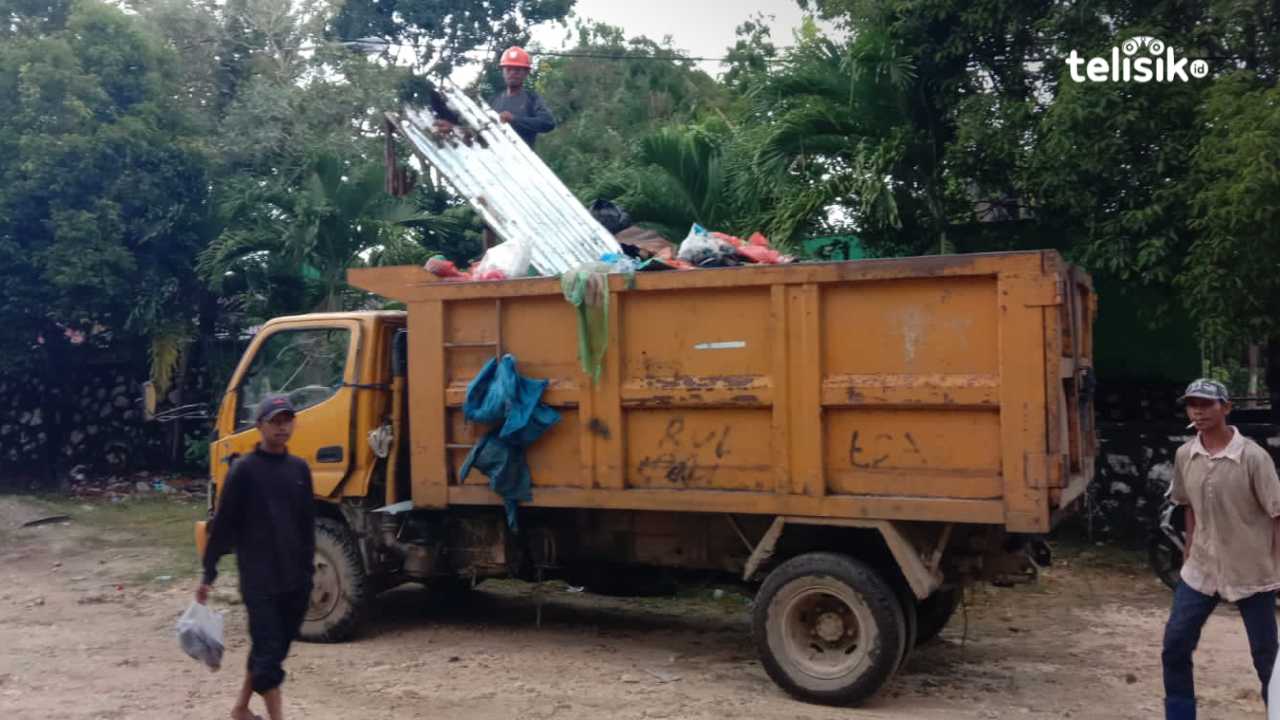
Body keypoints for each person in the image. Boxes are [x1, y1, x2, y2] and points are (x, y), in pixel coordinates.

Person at [1162, 378, 1280, 720]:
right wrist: (1187, 551)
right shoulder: (1186, 454)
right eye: (1192, 404)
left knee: (1266, 658)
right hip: (1201, 569)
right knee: (1175, 645)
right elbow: (1188, 507)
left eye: (1206, 404)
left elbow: (1276, 513)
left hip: (1252, 571)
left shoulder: (1253, 457)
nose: (1198, 410)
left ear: (1226, 408)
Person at [197, 394, 315, 720]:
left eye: (287, 420)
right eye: (275, 421)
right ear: (259, 425)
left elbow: (308, 525)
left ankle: (240, 709)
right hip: (259, 580)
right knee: (267, 663)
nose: (282, 427)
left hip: (295, 581)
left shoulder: (300, 470)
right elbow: (222, 526)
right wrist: (208, 573)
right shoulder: (244, 471)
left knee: (271, 652)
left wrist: (309, 574)